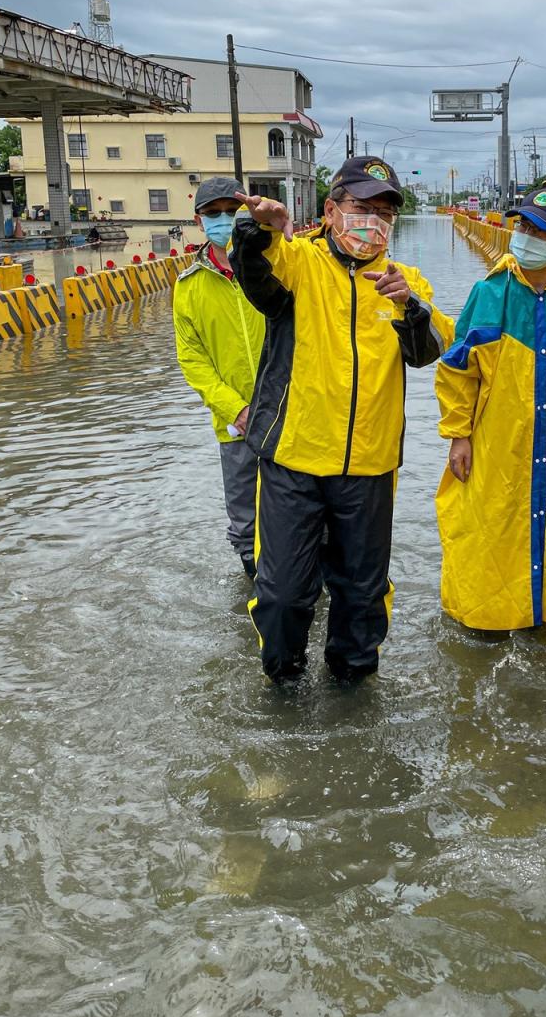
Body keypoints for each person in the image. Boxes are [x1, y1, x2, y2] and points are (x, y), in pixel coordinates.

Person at [227, 157, 454, 684]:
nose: (372, 221)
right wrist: (258, 227)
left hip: (369, 466)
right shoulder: (299, 261)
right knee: (283, 594)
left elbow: (431, 350)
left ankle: (354, 690)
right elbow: (256, 274)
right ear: (330, 211)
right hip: (293, 460)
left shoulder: (406, 280)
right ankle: (282, 684)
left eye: (384, 213)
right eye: (361, 208)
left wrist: (409, 308)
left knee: (362, 593)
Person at [435, 187, 546, 630]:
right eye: (524, 226)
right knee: (491, 530)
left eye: (541, 230)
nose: (527, 236)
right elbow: (457, 371)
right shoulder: (488, 293)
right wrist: (459, 434)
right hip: (498, 449)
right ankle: (489, 619)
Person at [172, 176, 265, 578]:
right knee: (246, 525)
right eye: (214, 214)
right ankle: (255, 598)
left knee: (311, 516)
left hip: (294, 414)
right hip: (235, 424)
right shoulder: (188, 288)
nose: (223, 220)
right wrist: (235, 408)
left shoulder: (275, 266)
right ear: (199, 221)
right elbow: (193, 361)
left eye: (232, 212)